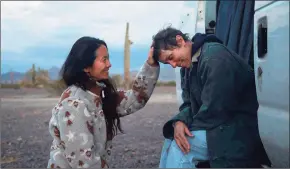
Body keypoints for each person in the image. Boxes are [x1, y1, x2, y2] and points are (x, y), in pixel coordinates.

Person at [151, 26, 271, 168]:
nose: (173, 65)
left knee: (180, 147)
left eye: (171, 57)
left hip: (239, 131)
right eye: (167, 63)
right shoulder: (189, 67)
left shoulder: (215, 57)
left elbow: (215, 110)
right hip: (220, 126)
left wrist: (185, 128)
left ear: (180, 40)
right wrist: (179, 122)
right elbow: (188, 104)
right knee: (171, 140)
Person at [47, 36, 160, 168]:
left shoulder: (99, 94)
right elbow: (84, 162)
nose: (109, 64)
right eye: (104, 59)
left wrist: (150, 64)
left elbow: (134, 99)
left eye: (108, 58)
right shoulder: (73, 104)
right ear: (86, 67)